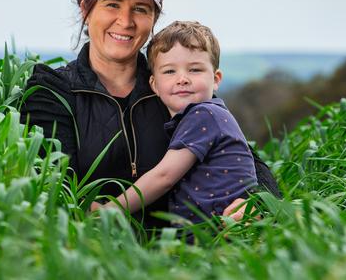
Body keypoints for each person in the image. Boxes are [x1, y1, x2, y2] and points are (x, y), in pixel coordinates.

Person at [20, 0, 279, 230]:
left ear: (154, 19)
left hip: (182, 254)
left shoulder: (174, 88)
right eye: (112, 4)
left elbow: (242, 156)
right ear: (86, 8)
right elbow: (55, 184)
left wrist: (257, 201)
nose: (126, 21)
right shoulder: (53, 90)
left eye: (141, 9)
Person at [91, 21, 259, 229]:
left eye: (195, 70)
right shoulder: (203, 116)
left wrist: (109, 211)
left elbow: (163, 177)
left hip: (217, 233)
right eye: (170, 72)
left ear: (216, 79)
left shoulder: (203, 115)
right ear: (154, 84)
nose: (182, 79)